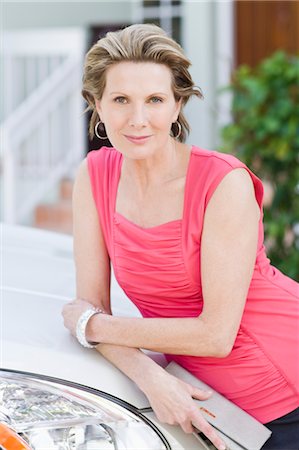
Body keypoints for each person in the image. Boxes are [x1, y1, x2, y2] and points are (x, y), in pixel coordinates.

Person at [62, 24, 299, 450]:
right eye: (120, 100)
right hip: (204, 397)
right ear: (97, 105)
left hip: (284, 384)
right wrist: (150, 375)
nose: (137, 119)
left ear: (177, 106)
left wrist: (89, 325)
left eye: (154, 100)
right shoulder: (94, 175)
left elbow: (215, 335)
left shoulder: (222, 182)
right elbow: (92, 311)